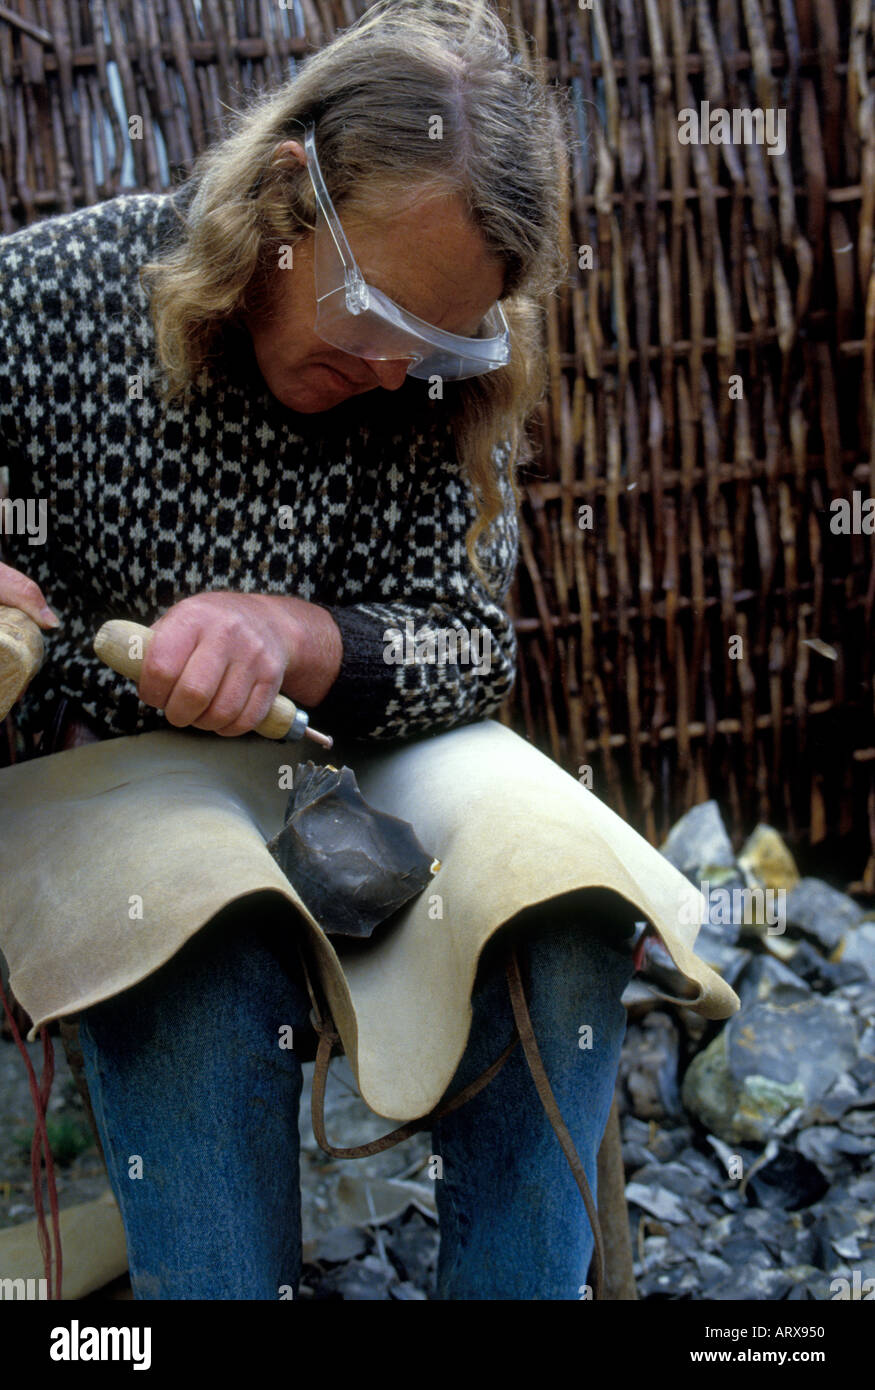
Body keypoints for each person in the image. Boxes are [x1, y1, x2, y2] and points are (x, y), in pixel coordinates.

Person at [0, 0, 638, 1299]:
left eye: (441, 336)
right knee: (193, 937)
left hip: (368, 764)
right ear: (290, 194)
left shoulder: (433, 379)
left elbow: (468, 641)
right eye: (370, 308)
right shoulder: (41, 300)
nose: (397, 364)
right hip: (119, 776)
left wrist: (295, 638)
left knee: (565, 909)